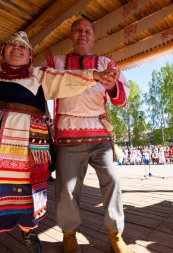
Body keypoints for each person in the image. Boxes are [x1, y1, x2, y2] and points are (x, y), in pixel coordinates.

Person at [0, 31, 118, 253]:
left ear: (30, 55)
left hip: (22, 144)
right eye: (11, 45)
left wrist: (94, 76)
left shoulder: (38, 75)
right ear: (2, 52)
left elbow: (66, 78)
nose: (17, 48)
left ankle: (28, 230)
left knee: (22, 193)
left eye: (23, 46)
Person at [44, 18, 131, 253]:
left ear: (93, 37)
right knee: (67, 189)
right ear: (71, 35)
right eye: (78, 30)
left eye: (87, 31)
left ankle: (115, 235)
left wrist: (112, 86)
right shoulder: (57, 62)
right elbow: (43, 84)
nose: (82, 34)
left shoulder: (107, 63)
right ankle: (69, 235)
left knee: (112, 180)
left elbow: (122, 100)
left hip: (100, 133)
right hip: (67, 135)